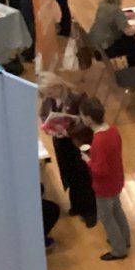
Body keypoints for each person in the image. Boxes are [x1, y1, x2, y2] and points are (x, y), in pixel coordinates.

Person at [38, 74, 95, 226]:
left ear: (58, 85)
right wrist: (49, 128)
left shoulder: (78, 97)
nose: (48, 96)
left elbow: (87, 122)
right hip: (61, 142)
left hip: (79, 142)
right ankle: (77, 205)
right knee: (69, 173)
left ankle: (90, 211)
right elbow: (44, 115)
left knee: (83, 174)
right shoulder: (49, 100)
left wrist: (68, 131)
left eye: (50, 92)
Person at [81, 97, 130, 261]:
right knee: (117, 210)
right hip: (117, 179)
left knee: (106, 217)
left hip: (104, 186)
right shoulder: (113, 131)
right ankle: (125, 239)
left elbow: (100, 170)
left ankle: (118, 248)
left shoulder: (99, 140)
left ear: (88, 118)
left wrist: (88, 161)